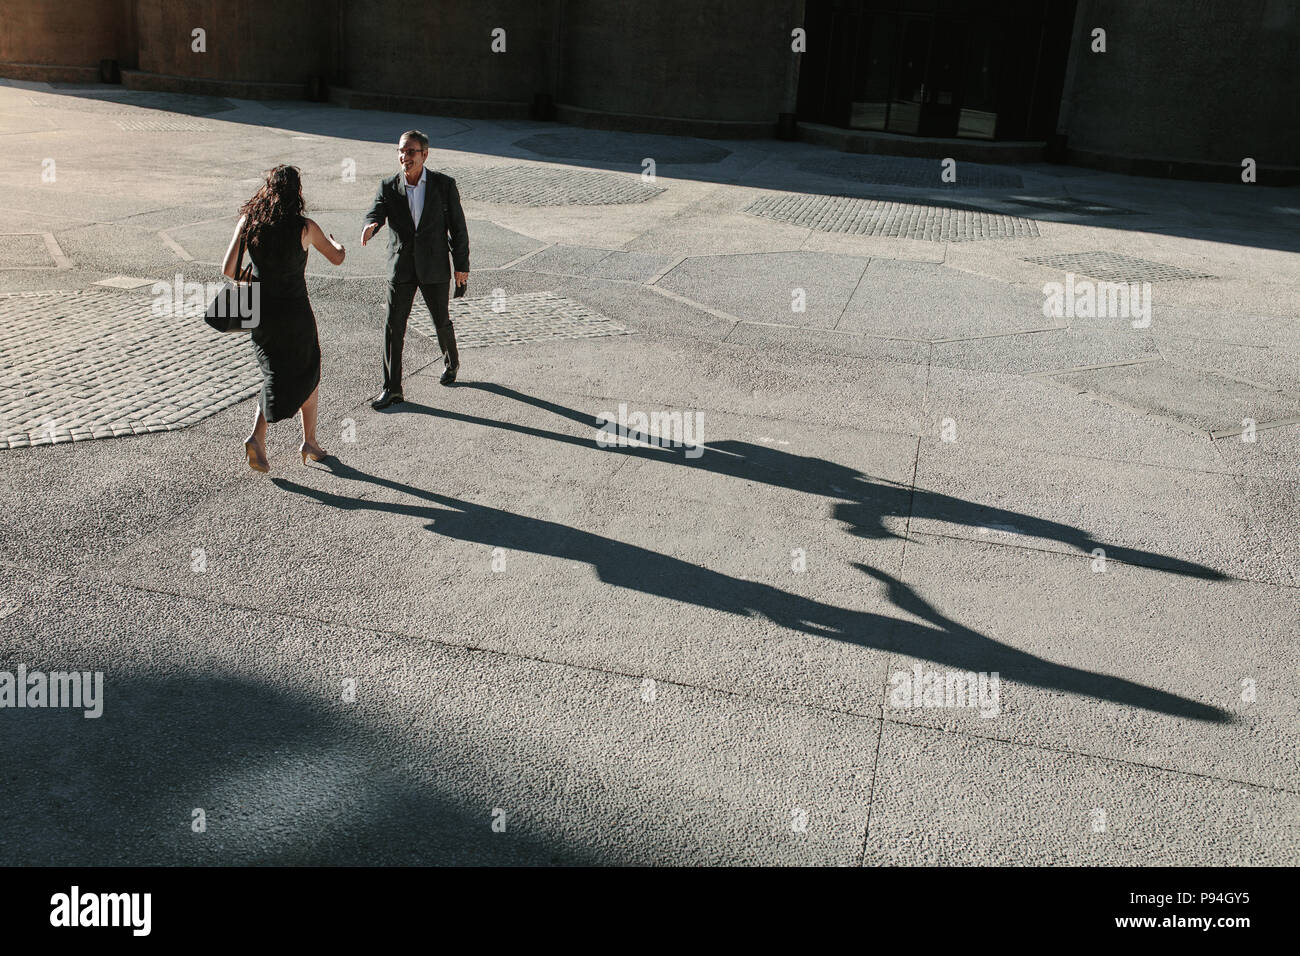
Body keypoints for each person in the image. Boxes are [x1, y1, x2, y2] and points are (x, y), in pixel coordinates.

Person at [221, 164, 346, 473]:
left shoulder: (249, 222)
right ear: (297, 193)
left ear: (267, 190)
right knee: (306, 370)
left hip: (261, 312)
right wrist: (339, 243)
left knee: (277, 372)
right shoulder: (304, 227)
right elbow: (336, 257)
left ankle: (302, 441)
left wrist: (253, 282)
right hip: (295, 313)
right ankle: (277, 439)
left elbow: (229, 269)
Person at [362, 129, 470, 410]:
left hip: (434, 264)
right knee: (393, 326)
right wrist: (370, 226)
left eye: (411, 151)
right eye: (401, 150)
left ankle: (452, 361)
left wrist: (461, 266)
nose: (404, 156)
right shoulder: (388, 186)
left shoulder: (444, 185)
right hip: (402, 267)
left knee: (440, 320)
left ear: (425, 154)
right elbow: (376, 212)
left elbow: (458, 228)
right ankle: (392, 388)